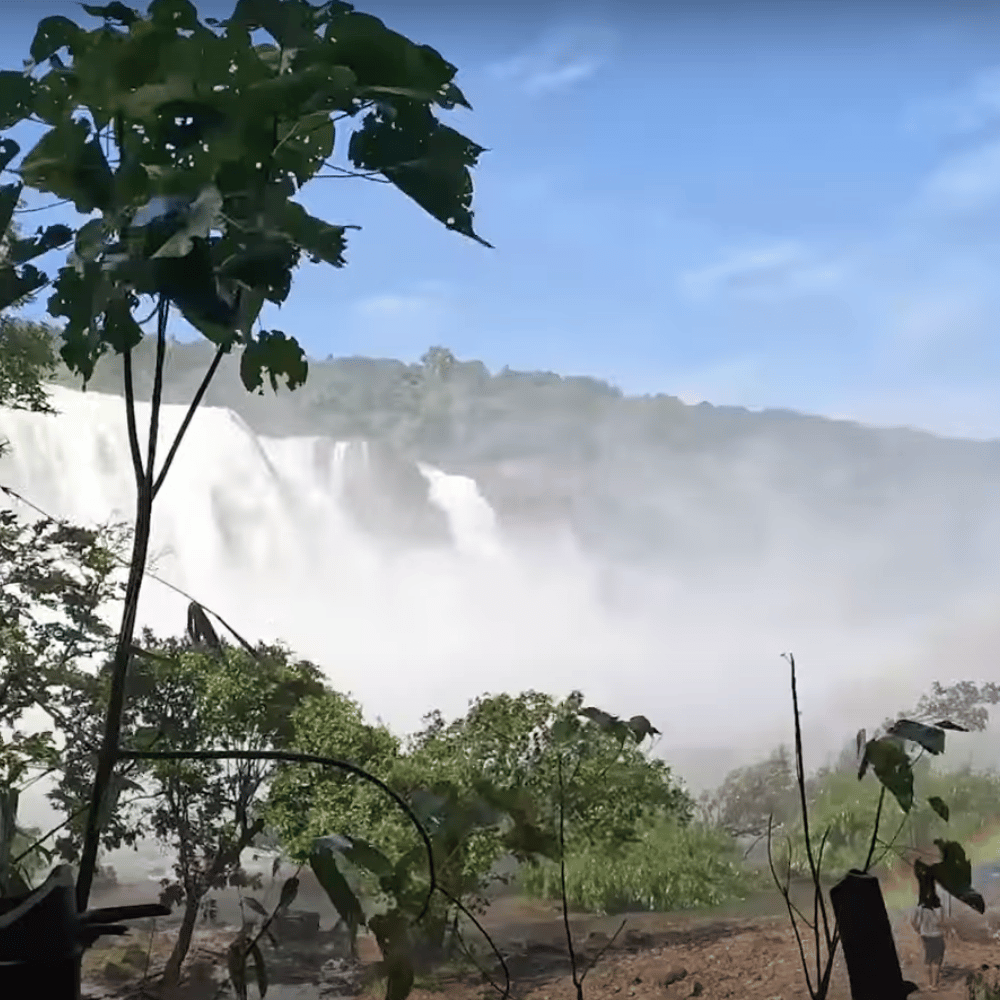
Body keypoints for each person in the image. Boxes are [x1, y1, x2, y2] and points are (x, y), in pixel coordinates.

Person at [910, 883, 948, 992]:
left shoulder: (919, 908)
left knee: (928, 959)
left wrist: (918, 930)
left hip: (925, 936)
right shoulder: (939, 908)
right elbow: (941, 922)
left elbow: (912, 921)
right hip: (937, 936)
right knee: (936, 961)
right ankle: (934, 985)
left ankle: (929, 983)